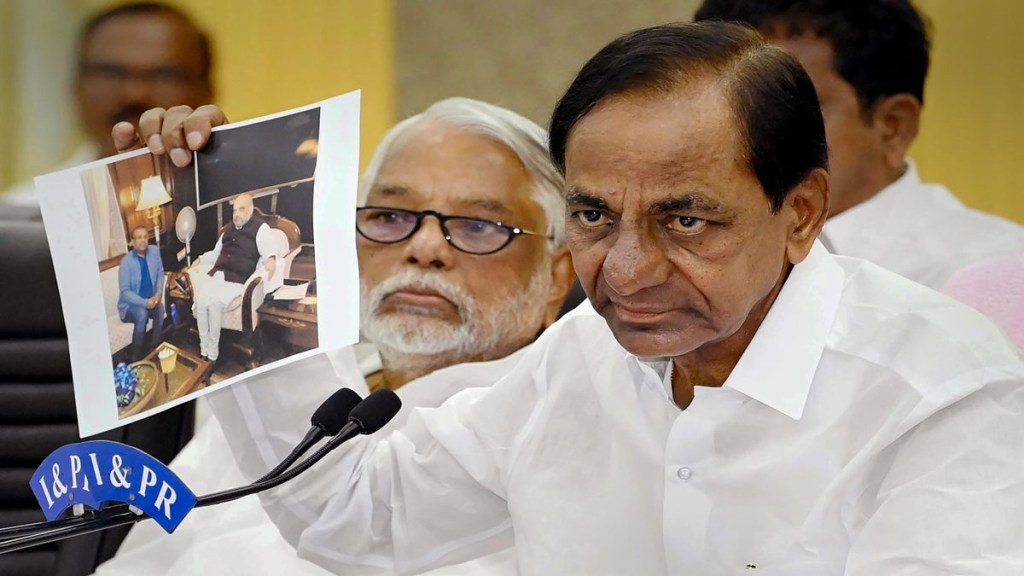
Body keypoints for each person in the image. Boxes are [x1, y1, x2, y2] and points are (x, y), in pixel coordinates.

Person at [172, 22, 1023, 574]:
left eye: (684, 220)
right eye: (592, 215)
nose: (624, 272)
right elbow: (363, 517)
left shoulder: (941, 392)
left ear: (800, 214)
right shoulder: (582, 359)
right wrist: (216, 222)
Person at [93, 97, 575, 576]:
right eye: (389, 217)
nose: (424, 247)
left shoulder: (548, 436)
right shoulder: (290, 384)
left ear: (558, 276)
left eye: (477, 225)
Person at [693, 0, 1024, 290]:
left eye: (784, 108)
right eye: (724, 111)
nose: (743, 139)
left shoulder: (996, 276)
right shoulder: (677, 257)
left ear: (894, 126)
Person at [1, 1, 213, 206]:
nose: (135, 94)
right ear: (76, 86)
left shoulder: (239, 201)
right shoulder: (18, 216)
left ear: (207, 91)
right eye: (110, 73)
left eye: (164, 74)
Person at [188, 192, 277, 367]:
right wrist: (199, 259)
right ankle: (203, 350)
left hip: (237, 280)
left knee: (213, 304)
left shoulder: (260, 228)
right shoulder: (227, 229)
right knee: (201, 301)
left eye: (241, 209)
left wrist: (271, 261)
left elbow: (269, 253)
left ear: (250, 210)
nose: (237, 213)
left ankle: (212, 355)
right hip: (217, 274)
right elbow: (215, 254)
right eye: (235, 210)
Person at [118, 226, 165, 361]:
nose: (143, 240)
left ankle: (154, 351)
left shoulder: (154, 252)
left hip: (150, 300)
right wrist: (144, 303)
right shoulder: (126, 262)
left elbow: (160, 274)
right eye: (139, 238)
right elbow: (125, 292)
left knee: (160, 308)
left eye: (145, 237)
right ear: (132, 242)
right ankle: (136, 358)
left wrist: (158, 294)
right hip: (129, 307)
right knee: (142, 313)